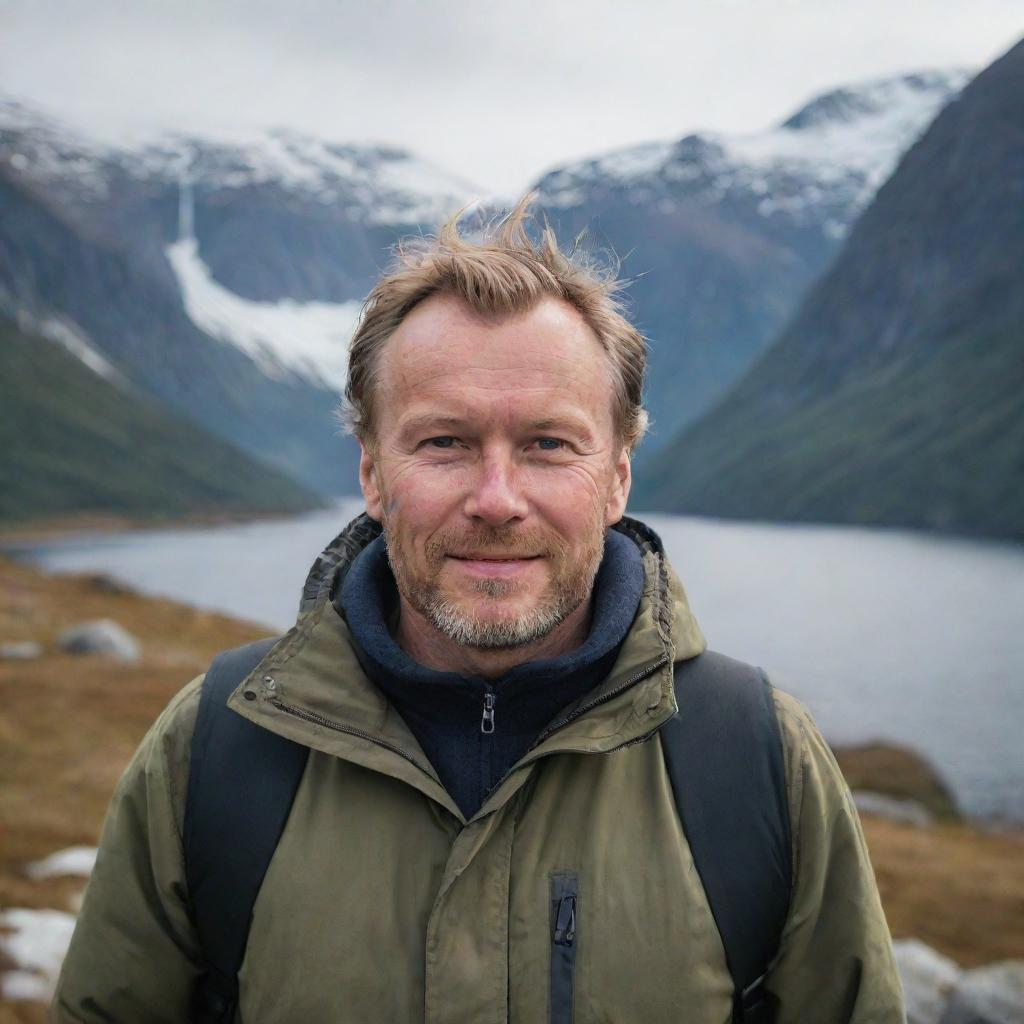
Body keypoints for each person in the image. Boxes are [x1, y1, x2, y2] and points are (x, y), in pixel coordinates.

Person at [53, 198, 905, 1022]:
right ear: (372, 473)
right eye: (444, 442)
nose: (497, 500)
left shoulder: (758, 761)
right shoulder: (216, 751)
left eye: (547, 444)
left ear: (617, 474)